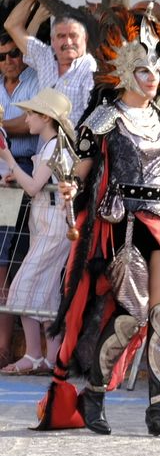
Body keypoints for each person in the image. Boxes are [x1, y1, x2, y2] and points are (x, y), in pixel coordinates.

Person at [36, 9, 160, 439]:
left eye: (157, 70)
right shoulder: (104, 118)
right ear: (128, 72)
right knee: (132, 316)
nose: (153, 78)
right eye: (145, 70)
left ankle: (159, 410)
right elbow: (82, 167)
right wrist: (71, 186)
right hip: (123, 224)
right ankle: (94, 392)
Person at [0, 89, 75, 375]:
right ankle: (52, 358)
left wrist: (8, 158)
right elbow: (35, 183)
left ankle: (33, 354)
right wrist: (15, 176)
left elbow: (34, 186)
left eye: (31, 113)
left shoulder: (55, 146)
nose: (26, 118)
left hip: (54, 228)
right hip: (47, 225)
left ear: (46, 117)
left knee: (22, 288)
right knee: (44, 295)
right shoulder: (52, 146)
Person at [0, 28, 40, 359]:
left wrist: (3, 126)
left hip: (26, 168)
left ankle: (16, 346)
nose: (10, 61)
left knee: (19, 256)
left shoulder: (37, 80)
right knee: (2, 260)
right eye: (3, 56)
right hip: (4, 176)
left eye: (15, 54)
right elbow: (24, 122)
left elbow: (33, 125)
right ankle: (3, 346)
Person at [5, 0, 97, 123]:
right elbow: (11, 25)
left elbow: (91, 120)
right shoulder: (45, 57)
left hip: (73, 143)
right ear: (52, 41)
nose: (68, 41)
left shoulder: (90, 68)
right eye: (61, 36)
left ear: (85, 39)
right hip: (46, 144)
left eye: (73, 35)